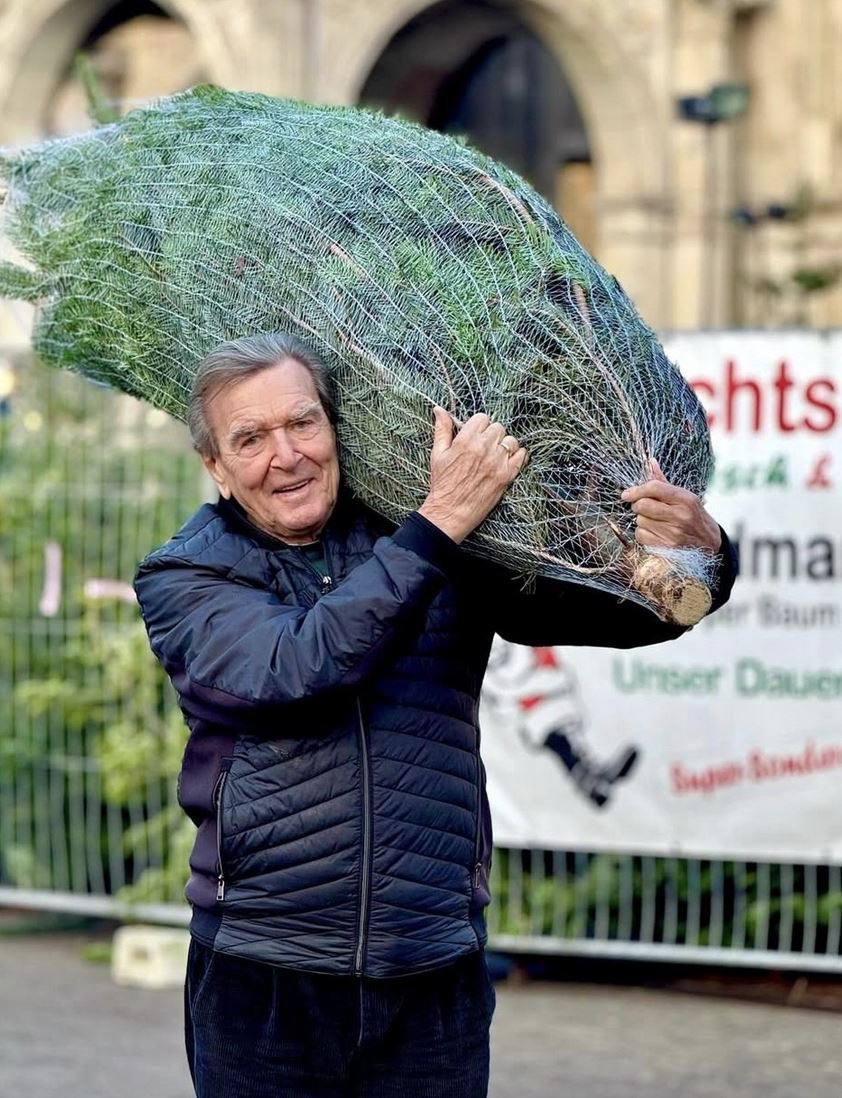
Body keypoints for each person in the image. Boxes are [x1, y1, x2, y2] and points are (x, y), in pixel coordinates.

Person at [134, 331, 737, 1098]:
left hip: (433, 970)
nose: (285, 455)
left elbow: (628, 613)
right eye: (250, 438)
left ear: (334, 428)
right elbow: (296, 670)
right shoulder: (186, 572)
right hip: (266, 974)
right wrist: (439, 522)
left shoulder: (432, 538)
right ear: (215, 465)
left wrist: (702, 555)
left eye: (302, 424)